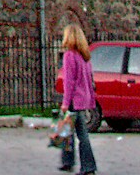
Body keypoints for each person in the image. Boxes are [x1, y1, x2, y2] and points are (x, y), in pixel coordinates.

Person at [58, 25, 97, 174]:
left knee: (79, 133)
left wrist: (65, 103)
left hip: (74, 99)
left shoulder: (69, 55)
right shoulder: (85, 56)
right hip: (84, 98)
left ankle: (87, 166)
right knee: (68, 130)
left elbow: (69, 82)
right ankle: (67, 161)